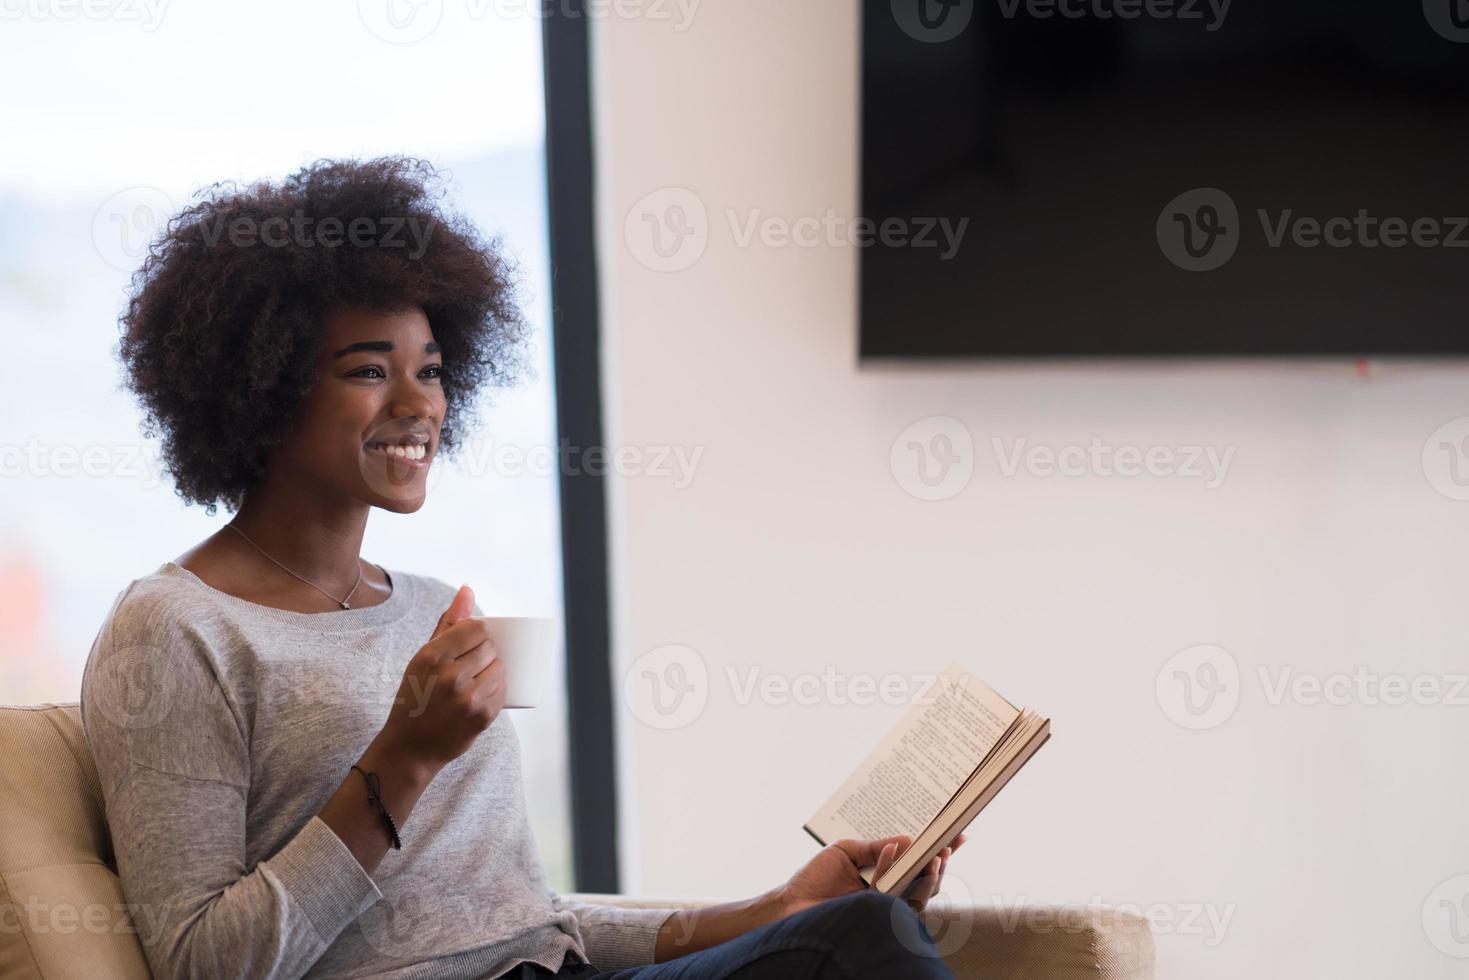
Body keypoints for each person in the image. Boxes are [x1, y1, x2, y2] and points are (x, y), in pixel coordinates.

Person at [81, 157, 962, 979]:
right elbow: (201, 961)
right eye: (367, 370)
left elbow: (523, 923)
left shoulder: (430, 609)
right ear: (259, 388)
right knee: (868, 943)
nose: (416, 403)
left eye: (430, 370)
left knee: (857, 926)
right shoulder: (173, 627)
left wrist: (781, 906)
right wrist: (403, 759)